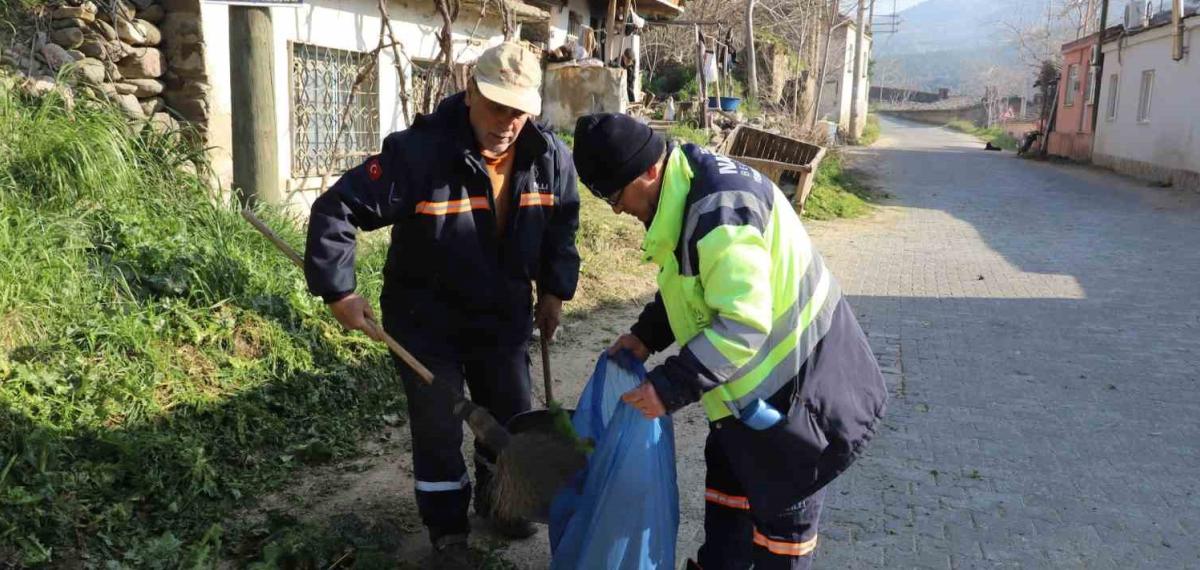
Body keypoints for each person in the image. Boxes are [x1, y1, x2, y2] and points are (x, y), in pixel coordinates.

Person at [304, 42, 581, 565]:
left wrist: (553, 290)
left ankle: (502, 501)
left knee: (509, 416)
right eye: (497, 106)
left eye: (518, 111)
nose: (507, 122)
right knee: (439, 426)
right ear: (471, 90)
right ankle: (448, 532)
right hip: (425, 321)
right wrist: (338, 291)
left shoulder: (549, 158)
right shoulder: (418, 155)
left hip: (501, 316)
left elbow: (561, 228)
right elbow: (336, 209)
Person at [571, 113, 887, 570]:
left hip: (803, 401)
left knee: (781, 535)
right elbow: (694, 280)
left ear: (649, 170)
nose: (616, 209)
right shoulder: (683, 192)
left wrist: (667, 387)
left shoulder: (720, 210)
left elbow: (742, 324)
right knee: (728, 511)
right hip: (743, 401)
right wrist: (645, 336)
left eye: (614, 194)